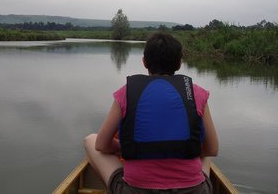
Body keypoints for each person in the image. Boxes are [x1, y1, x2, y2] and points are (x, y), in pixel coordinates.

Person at [84, 33, 218, 193]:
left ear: (144, 62)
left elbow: (102, 145)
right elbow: (212, 149)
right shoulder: (197, 93)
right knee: (204, 151)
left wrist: (126, 147)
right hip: (193, 191)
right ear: (179, 63)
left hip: (135, 191)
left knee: (90, 140)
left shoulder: (126, 92)